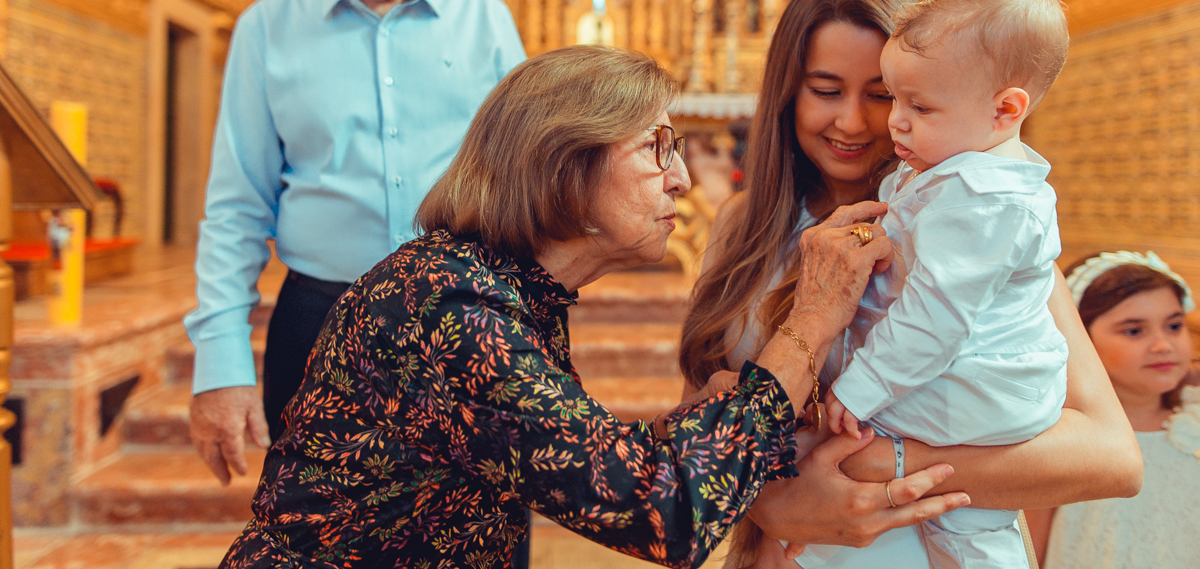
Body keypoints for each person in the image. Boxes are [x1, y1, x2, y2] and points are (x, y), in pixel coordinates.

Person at [219, 46, 969, 569]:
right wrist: (813, 318)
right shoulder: (450, 308)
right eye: (656, 148)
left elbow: (576, 455)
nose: (680, 179)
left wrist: (717, 416)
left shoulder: (506, 288)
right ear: (565, 169)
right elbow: (665, 513)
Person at [676, 0, 1143, 569]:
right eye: (825, 90)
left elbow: (1112, 459)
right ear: (787, 93)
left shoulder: (973, 225)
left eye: (883, 94)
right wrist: (770, 505)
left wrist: (882, 463)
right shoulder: (742, 225)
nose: (858, 120)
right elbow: (696, 415)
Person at [185, 0, 526, 486]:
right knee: (324, 538)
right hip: (321, 327)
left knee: (476, 539)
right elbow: (236, 210)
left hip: (466, 323)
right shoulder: (267, 32)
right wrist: (220, 366)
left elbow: (529, 184)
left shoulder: (485, 21)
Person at [806, 0, 1071, 569]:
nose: (894, 121)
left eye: (918, 105)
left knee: (852, 453)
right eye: (894, 98)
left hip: (976, 390)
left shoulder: (980, 199)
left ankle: (816, 541)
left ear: (1005, 110)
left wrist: (859, 387)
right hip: (968, 385)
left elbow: (935, 317)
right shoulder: (960, 170)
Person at [1026, 251, 1200, 567]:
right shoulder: (1062, 441)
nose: (1162, 345)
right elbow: (1027, 553)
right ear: (1081, 340)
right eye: (1134, 331)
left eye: (1174, 326)